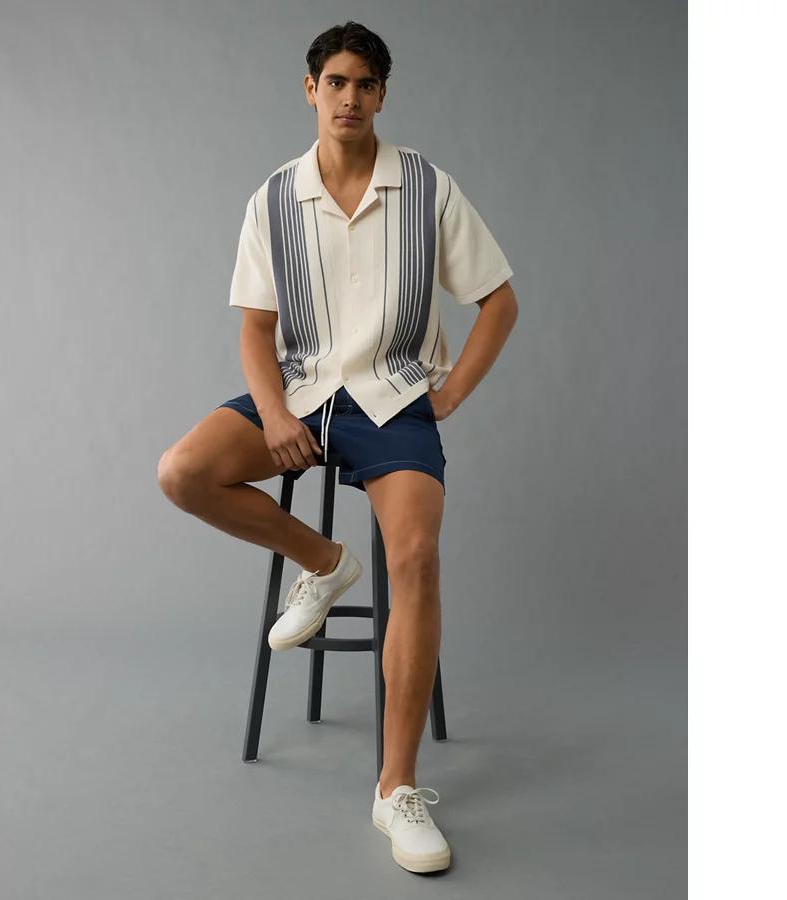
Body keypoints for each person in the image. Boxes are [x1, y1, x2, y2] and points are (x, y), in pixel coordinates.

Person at [158, 20, 517, 875]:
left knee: (417, 557)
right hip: (301, 392)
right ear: (310, 89)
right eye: (336, 82)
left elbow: (499, 301)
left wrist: (449, 393)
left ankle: (396, 789)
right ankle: (322, 562)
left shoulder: (426, 187)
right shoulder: (273, 198)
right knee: (183, 472)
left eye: (365, 84)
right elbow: (256, 327)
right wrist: (275, 412)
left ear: (382, 95)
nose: (349, 97)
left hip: (394, 400)